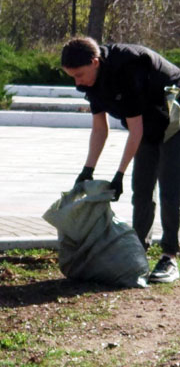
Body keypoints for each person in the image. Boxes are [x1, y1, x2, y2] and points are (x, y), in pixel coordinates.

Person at [61, 36, 180, 283]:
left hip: (174, 112)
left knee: (169, 188)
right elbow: (100, 128)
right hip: (150, 118)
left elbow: (136, 131)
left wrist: (119, 175)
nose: (77, 83)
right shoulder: (92, 81)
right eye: (72, 77)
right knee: (142, 188)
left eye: (79, 75)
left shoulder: (127, 69)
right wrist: (87, 170)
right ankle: (139, 249)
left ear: (95, 62)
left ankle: (170, 255)